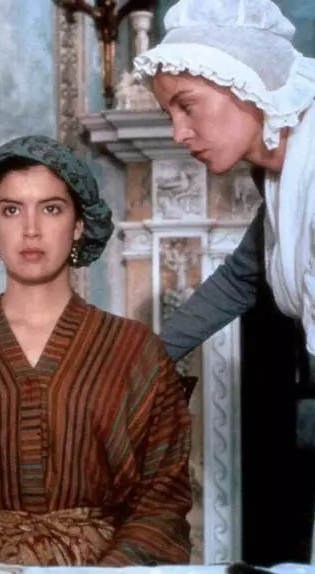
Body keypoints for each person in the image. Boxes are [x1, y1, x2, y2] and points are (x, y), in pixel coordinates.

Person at [0, 135, 192, 569]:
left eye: (51, 209)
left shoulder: (136, 351)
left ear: (78, 224)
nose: (31, 229)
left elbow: (162, 503)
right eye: (11, 210)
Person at [132, 0, 315, 363]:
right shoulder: (280, 176)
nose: (178, 134)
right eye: (169, 115)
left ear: (247, 82)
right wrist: (140, 366)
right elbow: (239, 279)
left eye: (187, 106)